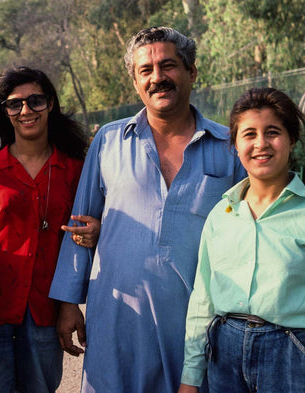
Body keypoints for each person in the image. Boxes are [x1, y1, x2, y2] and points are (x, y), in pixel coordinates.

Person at [49, 26, 246, 393]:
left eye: (168, 65)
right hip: (119, 321)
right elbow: (79, 223)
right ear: (135, 81)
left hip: (199, 325)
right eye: (146, 70)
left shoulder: (229, 146)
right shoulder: (109, 140)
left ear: (192, 72)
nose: (158, 77)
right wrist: (68, 303)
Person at [179, 88, 305, 393]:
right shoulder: (221, 215)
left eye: (273, 132)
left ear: (292, 140)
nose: (261, 144)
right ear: (235, 143)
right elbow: (202, 300)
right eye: (249, 134)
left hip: (294, 357)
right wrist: (191, 377)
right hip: (224, 357)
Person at [0, 66, 88, 393]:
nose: (26, 110)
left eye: (35, 101)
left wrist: (69, 305)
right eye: (15, 104)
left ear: (50, 104)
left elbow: (79, 244)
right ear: (4, 112)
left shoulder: (75, 170)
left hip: (47, 308)